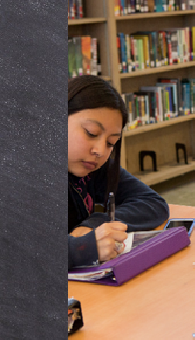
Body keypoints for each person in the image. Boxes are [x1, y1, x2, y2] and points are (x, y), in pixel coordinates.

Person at [68, 75, 169, 267]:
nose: (99, 150)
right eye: (91, 133)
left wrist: (94, 224)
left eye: (110, 143)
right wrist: (82, 248)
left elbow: (153, 203)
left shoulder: (93, 167)